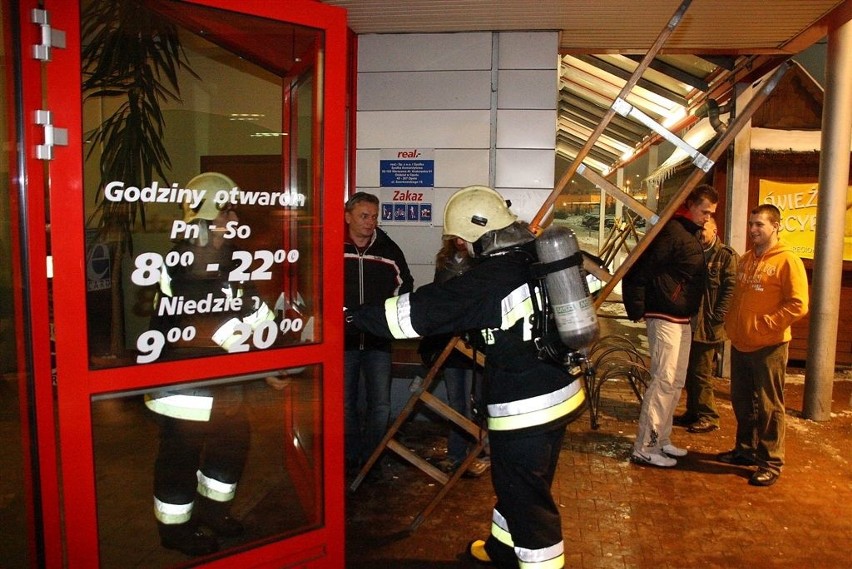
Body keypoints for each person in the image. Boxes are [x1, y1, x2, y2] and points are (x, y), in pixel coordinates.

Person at [346, 185, 589, 569]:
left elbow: (415, 313)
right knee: (514, 485)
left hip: (526, 408)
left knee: (528, 502)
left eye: (462, 238)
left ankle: (537, 561)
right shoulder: (532, 254)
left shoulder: (492, 278)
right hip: (557, 392)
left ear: (479, 231)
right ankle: (502, 551)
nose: (460, 245)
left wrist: (350, 316)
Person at [145, 172, 275, 556]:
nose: (235, 217)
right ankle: (176, 531)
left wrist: (274, 328)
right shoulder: (188, 257)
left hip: (222, 381)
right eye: (228, 209)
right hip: (185, 386)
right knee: (179, 460)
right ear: (207, 213)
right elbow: (205, 318)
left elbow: (248, 304)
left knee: (230, 448)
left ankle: (214, 514)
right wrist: (257, 336)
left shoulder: (227, 254)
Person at [623, 184, 718, 468]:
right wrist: (638, 308)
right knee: (663, 381)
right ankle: (646, 445)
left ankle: (661, 439)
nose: (708, 218)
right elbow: (639, 269)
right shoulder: (673, 233)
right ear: (690, 205)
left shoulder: (687, 234)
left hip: (680, 316)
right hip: (665, 315)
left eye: (712, 213)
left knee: (675, 382)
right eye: (705, 211)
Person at [717, 203, 809, 487]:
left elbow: (798, 304)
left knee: (770, 407)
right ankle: (745, 451)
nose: (753, 229)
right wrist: (733, 326)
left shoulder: (787, 261)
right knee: (743, 402)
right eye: (751, 223)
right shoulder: (745, 259)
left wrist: (766, 325)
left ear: (775, 227)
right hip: (742, 343)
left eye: (760, 225)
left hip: (769, 346)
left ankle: (770, 462)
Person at [343, 192, 414, 473]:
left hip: (378, 341)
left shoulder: (388, 250)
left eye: (374, 216)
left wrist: (388, 318)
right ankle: (350, 457)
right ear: (348, 217)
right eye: (364, 216)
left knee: (381, 404)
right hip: (343, 341)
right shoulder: (332, 247)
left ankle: (371, 458)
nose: (370, 222)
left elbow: (405, 285)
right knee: (345, 404)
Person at [418, 237, 489, 477]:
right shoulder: (445, 260)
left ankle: (480, 451)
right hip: (451, 342)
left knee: (480, 401)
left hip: (476, 342)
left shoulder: (484, 260)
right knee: (458, 401)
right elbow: (440, 298)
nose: (460, 240)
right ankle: (457, 455)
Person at [674, 218, 738, 433]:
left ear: (715, 230)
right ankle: (693, 412)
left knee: (701, 372)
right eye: (698, 230)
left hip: (708, 325)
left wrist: (718, 316)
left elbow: (731, 289)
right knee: (690, 370)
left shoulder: (724, 256)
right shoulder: (695, 252)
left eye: (704, 230)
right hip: (691, 322)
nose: (700, 234)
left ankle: (708, 415)